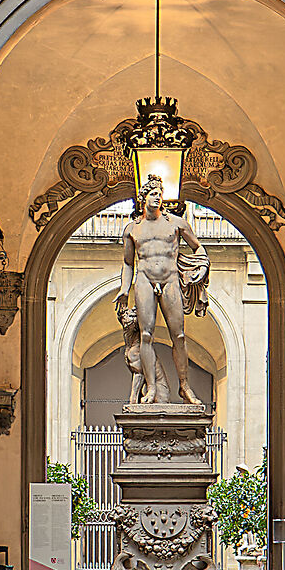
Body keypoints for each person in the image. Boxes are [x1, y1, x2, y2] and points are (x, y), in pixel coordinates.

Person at [117, 172, 210, 405]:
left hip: (170, 280)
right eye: (153, 193)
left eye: (160, 193)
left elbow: (199, 249)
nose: (157, 197)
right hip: (144, 280)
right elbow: (129, 263)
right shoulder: (132, 229)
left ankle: (185, 387)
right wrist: (123, 289)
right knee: (146, 335)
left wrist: (202, 266)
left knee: (178, 335)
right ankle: (150, 389)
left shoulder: (177, 224)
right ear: (143, 197)